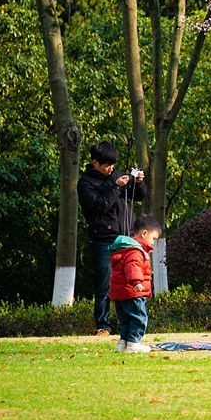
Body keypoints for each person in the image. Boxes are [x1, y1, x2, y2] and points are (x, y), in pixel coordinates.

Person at [77, 140, 146, 336]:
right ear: (95, 163)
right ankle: (102, 326)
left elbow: (138, 196)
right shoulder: (85, 184)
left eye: (113, 165)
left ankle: (131, 323)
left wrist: (139, 183)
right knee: (105, 283)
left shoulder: (115, 173)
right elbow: (100, 206)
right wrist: (115, 187)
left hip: (126, 237)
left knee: (131, 280)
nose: (111, 169)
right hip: (104, 240)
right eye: (107, 165)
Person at [109, 214, 162, 353]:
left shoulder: (125, 248)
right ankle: (134, 343)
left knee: (125, 319)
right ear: (144, 233)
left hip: (121, 292)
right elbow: (132, 267)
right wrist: (136, 282)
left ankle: (123, 343)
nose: (153, 243)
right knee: (138, 317)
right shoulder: (136, 251)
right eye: (153, 238)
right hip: (133, 291)